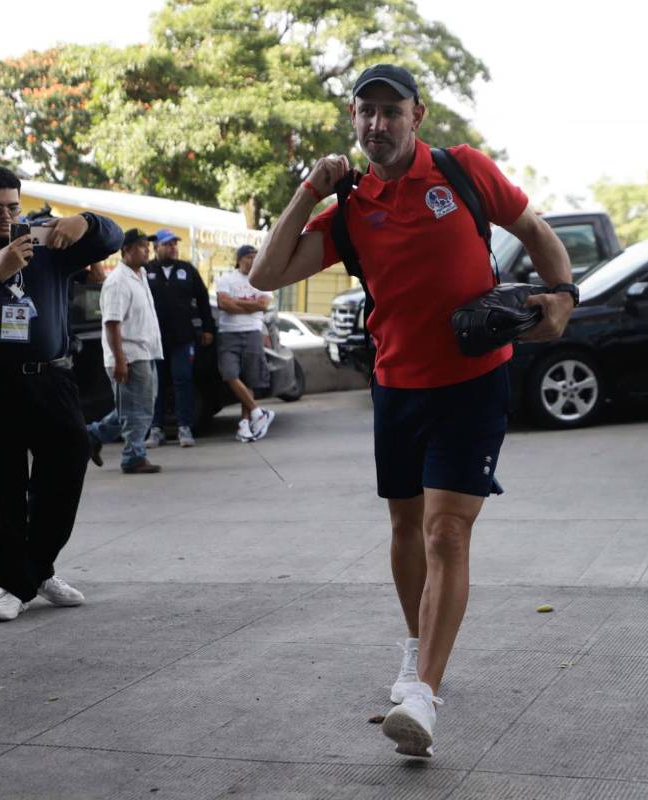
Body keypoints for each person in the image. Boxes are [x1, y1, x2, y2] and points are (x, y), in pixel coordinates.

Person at [248, 65, 574, 759]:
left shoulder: (464, 171)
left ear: (416, 116)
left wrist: (563, 295)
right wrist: (310, 189)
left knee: (445, 533)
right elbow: (266, 275)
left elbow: (537, 230)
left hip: (473, 381)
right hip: (397, 386)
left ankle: (424, 694)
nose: (378, 124)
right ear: (353, 117)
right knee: (404, 528)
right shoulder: (352, 208)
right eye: (366, 112)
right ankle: (417, 647)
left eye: (391, 112)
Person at [0, 165, 122, 623]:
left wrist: (83, 220)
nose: (6, 217)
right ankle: (11, 584)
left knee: (68, 464)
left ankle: (38, 569)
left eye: (13, 206)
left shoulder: (43, 243)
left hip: (50, 378)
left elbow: (114, 237)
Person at [87, 229, 164, 473]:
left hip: (146, 352)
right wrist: (120, 360)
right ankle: (133, 457)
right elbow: (112, 322)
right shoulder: (117, 281)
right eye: (141, 245)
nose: (147, 250)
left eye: (147, 245)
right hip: (129, 355)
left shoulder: (139, 275)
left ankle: (92, 436)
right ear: (126, 249)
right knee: (137, 409)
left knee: (134, 408)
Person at [145, 228, 215, 447]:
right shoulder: (146, 271)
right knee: (155, 384)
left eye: (175, 244)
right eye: (168, 244)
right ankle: (155, 429)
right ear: (156, 248)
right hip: (154, 339)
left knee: (183, 380)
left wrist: (207, 329)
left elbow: (203, 301)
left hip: (183, 338)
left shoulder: (187, 270)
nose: (173, 248)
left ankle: (185, 427)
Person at [215, 244, 276, 442]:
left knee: (250, 378)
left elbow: (263, 305)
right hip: (229, 333)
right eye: (248, 257)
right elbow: (224, 304)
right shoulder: (226, 279)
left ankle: (244, 424)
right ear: (239, 259)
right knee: (229, 373)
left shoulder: (262, 280)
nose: (252, 260)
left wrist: (237, 302)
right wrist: (252, 306)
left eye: (255, 257)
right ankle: (259, 413)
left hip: (252, 332)